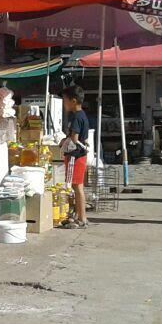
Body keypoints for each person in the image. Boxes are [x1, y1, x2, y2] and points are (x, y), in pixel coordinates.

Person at [60, 86, 90, 228]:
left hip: (76, 156)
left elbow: (74, 138)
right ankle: (78, 215)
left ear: (73, 101)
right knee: (76, 186)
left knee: (77, 186)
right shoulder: (82, 115)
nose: (64, 103)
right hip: (80, 155)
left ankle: (82, 218)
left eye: (65, 100)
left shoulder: (77, 117)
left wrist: (64, 142)